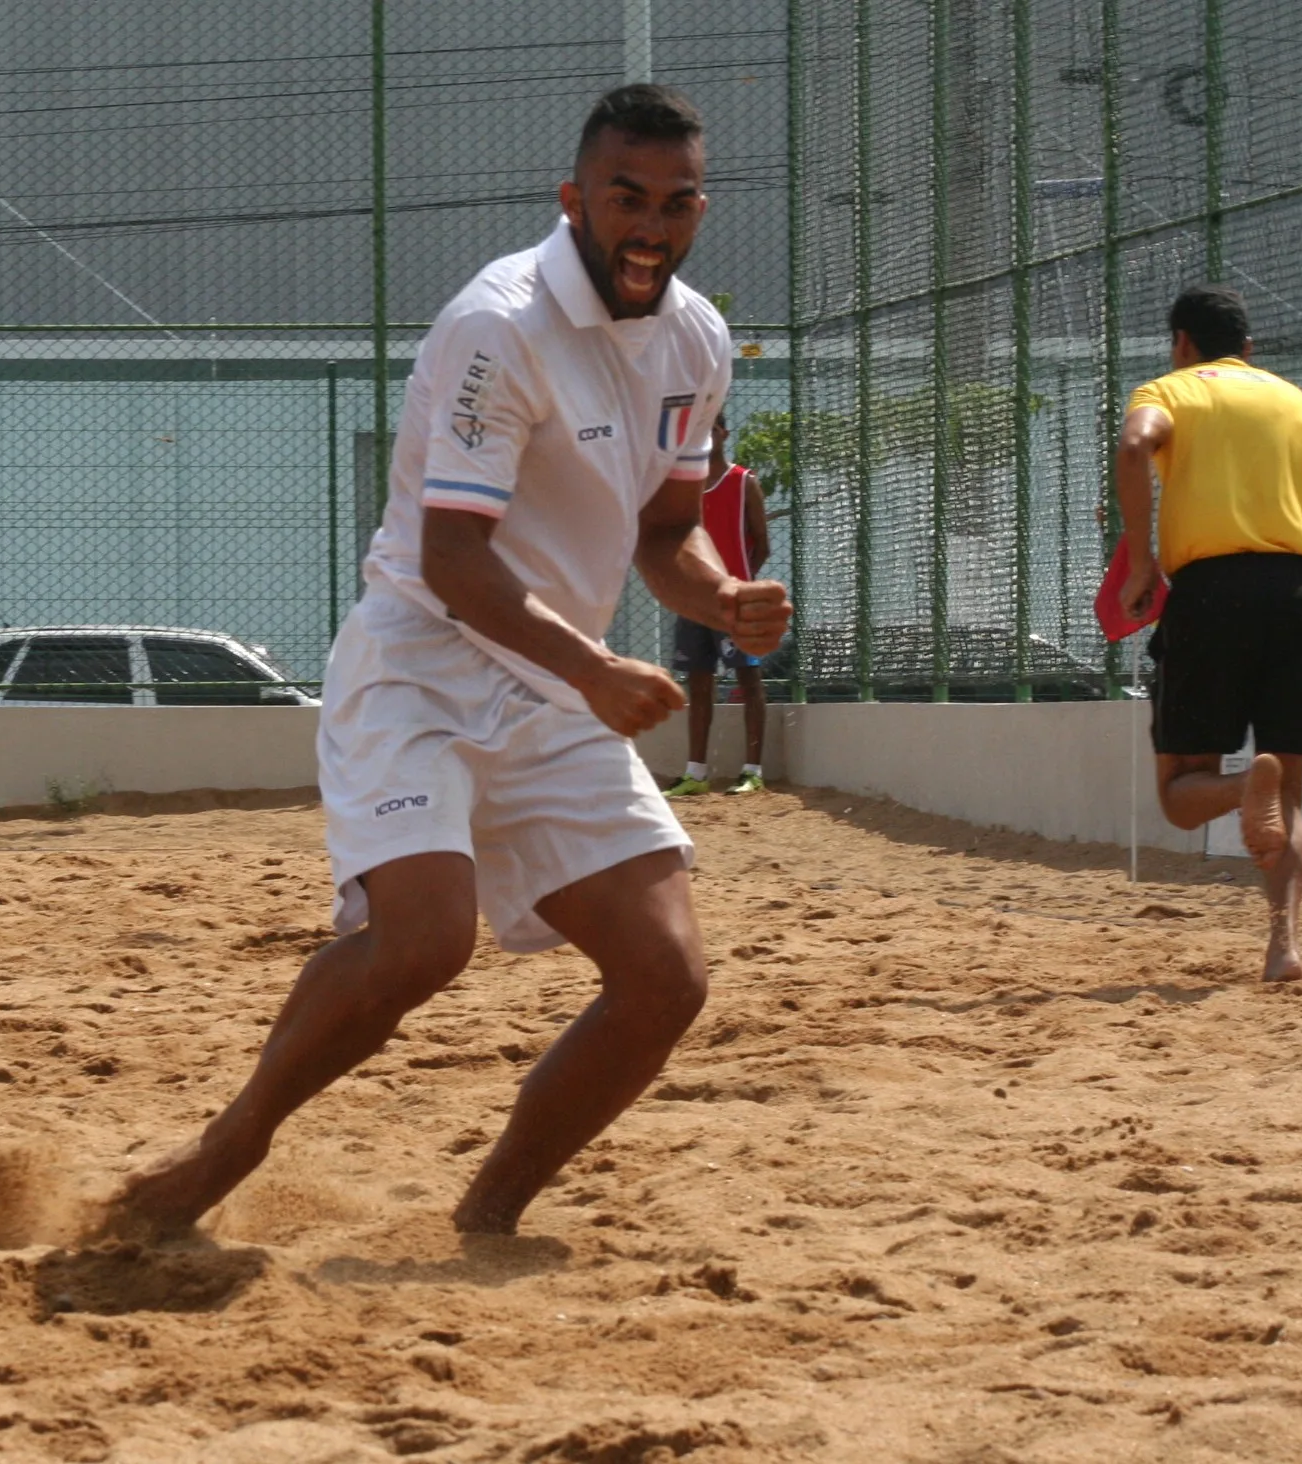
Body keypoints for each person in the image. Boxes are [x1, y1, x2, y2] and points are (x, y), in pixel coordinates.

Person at [101, 84, 791, 1240]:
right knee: (425, 945)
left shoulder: (697, 341)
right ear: (575, 200)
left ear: (700, 211)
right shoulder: (498, 325)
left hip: (557, 679)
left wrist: (724, 597)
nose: (651, 226)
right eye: (626, 198)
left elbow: (663, 537)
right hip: (423, 655)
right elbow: (456, 559)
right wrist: (601, 671)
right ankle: (223, 1151)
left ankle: (486, 1222)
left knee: (667, 980)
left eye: (676, 204)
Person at [1116, 284, 1302, 983]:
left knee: (1182, 792)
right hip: (1294, 597)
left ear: (1181, 342)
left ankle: (1243, 787)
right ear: (1249, 348)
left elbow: (1133, 446)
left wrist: (1143, 560)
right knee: (1288, 793)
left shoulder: (1170, 389)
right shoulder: (1300, 404)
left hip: (1208, 595)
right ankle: (1283, 947)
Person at [663, 412, 772, 797]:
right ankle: (695, 773)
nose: (704, 437)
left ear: (723, 433)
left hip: (737, 601)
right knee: (698, 681)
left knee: (748, 679)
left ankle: (752, 770)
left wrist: (740, 584)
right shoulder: (683, 486)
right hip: (694, 602)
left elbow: (762, 542)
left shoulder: (744, 482)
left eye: (710, 429)